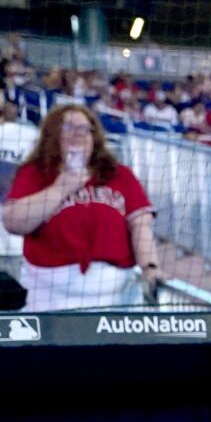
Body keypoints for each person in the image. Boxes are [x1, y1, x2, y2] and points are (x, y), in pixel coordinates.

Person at [1, 104, 162, 310]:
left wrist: (150, 266)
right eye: (68, 127)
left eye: (84, 128)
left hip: (115, 297)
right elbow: (14, 222)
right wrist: (60, 189)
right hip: (49, 297)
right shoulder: (35, 173)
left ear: (94, 137)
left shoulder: (119, 174)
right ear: (53, 135)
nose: (78, 133)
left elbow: (141, 226)